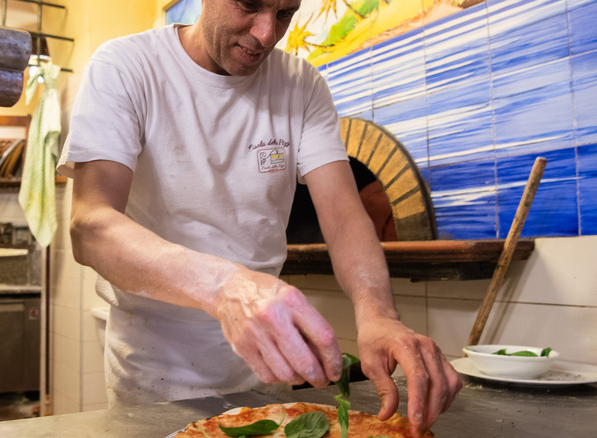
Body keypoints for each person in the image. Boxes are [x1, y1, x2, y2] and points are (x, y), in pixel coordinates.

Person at [57, 0, 461, 434]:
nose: (267, 33)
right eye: (250, 4)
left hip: (267, 374)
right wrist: (225, 288)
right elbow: (91, 225)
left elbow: (344, 215)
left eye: (286, 13)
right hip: (154, 372)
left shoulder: (302, 85)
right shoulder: (126, 66)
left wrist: (377, 313)